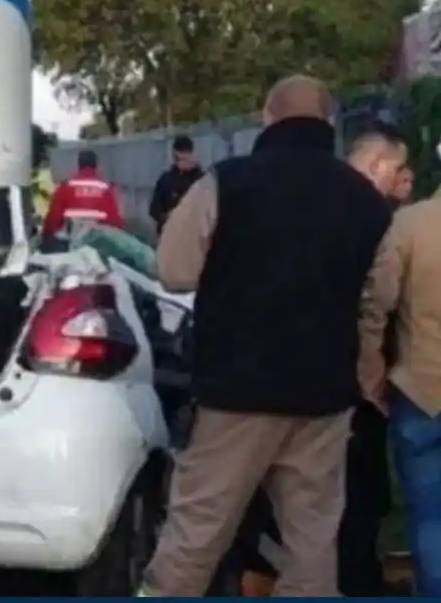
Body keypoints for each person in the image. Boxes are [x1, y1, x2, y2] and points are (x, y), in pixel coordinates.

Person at [140, 75, 393, 597]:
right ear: (328, 124)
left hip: (235, 397)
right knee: (313, 542)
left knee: (196, 532)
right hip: (324, 399)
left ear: (266, 117)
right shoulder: (365, 200)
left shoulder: (227, 181)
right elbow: (376, 298)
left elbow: (174, 270)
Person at [358, 151, 441, 596]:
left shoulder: (411, 225)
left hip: (423, 392)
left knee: (430, 519)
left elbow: (376, 305)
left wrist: (370, 370)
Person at [40, 149, 123, 240]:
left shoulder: (65, 186)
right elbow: (115, 222)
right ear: (96, 165)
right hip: (100, 243)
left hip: (71, 242)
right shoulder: (106, 188)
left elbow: (53, 219)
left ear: (79, 165)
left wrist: (46, 235)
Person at [149, 135, 204, 235]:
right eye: (180, 158)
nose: (184, 162)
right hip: (171, 235)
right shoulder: (166, 180)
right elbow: (154, 210)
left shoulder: (202, 180)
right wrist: (169, 217)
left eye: (186, 157)